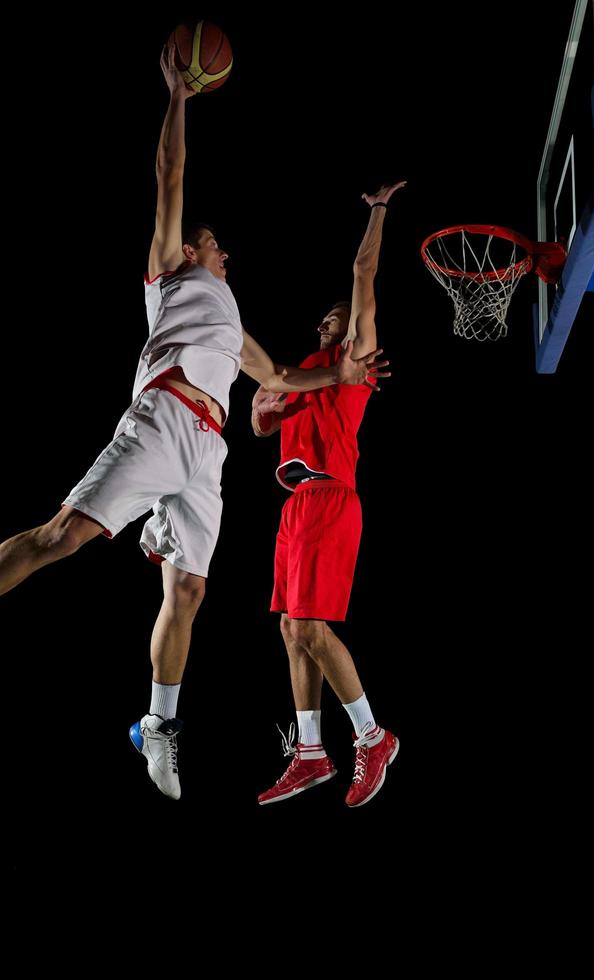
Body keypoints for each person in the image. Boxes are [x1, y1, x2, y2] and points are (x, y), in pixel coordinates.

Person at [0, 42, 387, 801]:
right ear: (185, 251)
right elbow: (169, 175)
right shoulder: (170, 275)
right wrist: (179, 97)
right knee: (61, 538)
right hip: (164, 418)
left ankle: (158, 727)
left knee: (189, 596)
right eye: (215, 244)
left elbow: (276, 376)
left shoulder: (230, 319)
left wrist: (333, 374)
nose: (224, 251)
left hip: (208, 454)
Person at [252, 181, 404, 808]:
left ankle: (373, 737)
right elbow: (260, 420)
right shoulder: (304, 377)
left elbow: (363, 271)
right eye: (324, 318)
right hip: (294, 506)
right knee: (291, 628)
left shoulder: (353, 358)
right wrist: (267, 404)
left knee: (312, 626)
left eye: (335, 316)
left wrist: (377, 211)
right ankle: (311, 751)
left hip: (332, 498)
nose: (326, 321)